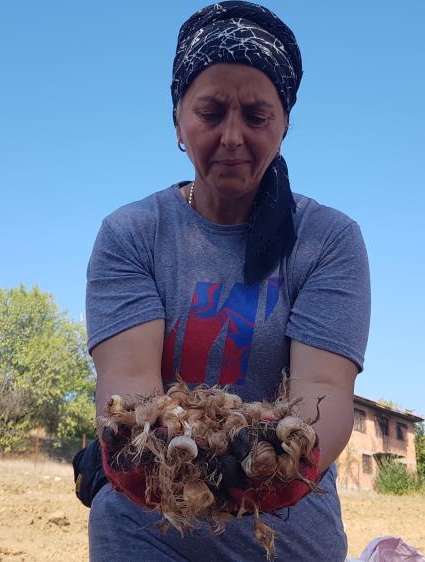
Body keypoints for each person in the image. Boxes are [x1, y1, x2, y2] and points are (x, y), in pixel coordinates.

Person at [82, 2, 370, 560]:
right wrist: (149, 455)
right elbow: (131, 389)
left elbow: (326, 394)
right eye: (211, 112)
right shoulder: (133, 233)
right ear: (178, 121)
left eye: (257, 116)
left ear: (284, 125)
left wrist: (274, 465)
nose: (233, 136)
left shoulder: (328, 240)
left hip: (285, 535)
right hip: (146, 533)